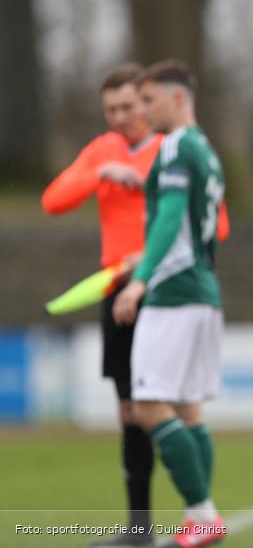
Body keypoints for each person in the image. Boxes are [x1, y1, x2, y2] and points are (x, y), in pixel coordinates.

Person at [42, 63, 162, 547]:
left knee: (169, 408)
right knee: (129, 409)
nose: (119, 117)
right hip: (116, 290)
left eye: (127, 107)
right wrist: (99, 173)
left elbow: (213, 224)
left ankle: (200, 514)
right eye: (111, 110)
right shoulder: (103, 149)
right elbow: (53, 201)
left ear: (147, 102)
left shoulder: (172, 148)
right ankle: (140, 528)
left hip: (164, 287)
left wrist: (146, 256)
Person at [113, 60, 227, 548]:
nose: (142, 110)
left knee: (146, 406)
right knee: (187, 409)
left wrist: (141, 279)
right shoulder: (205, 149)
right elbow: (194, 231)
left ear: (177, 98)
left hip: (174, 295)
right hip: (202, 291)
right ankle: (199, 517)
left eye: (148, 100)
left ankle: (202, 515)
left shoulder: (177, 145)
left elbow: (171, 218)